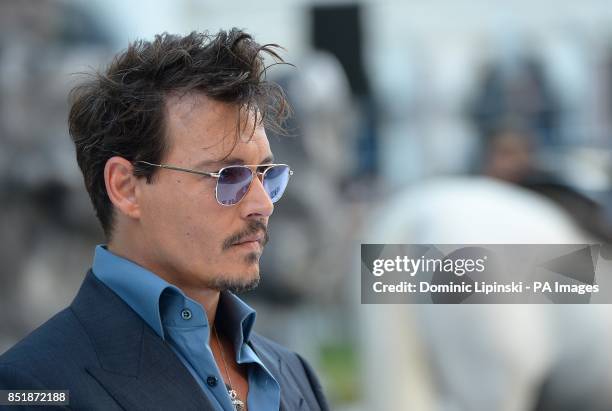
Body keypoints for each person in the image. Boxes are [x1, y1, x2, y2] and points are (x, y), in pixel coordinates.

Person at [0, 29, 329, 411]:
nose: (263, 204)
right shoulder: (34, 385)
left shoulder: (293, 374)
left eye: (266, 175)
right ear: (125, 187)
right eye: (228, 176)